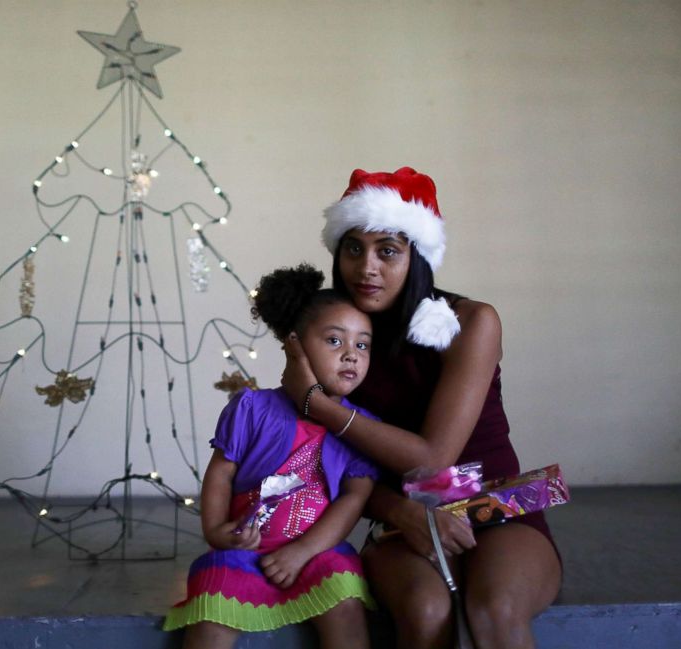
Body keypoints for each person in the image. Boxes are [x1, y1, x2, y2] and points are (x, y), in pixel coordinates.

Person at [282, 167, 562, 649]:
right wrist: (398, 510)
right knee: (426, 610)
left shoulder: (471, 321)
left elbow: (433, 460)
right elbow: (321, 465)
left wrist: (318, 404)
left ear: (419, 256)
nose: (367, 267)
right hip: (399, 515)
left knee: (495, 609)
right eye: (353, 248)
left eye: (387, 250)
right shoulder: (336, 334)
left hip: (496, 504)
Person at [165, 264, 379, 649]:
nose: (351, 355)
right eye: (334, 341)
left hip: (317, 552)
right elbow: (220, 475)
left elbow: (354, 498)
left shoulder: (362, 428)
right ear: (294, 344)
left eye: (362, 345)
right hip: (244, 548)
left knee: (346, 601)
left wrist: (305, 550)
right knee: (211, 610)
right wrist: (216, 532)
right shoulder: (252, 408)